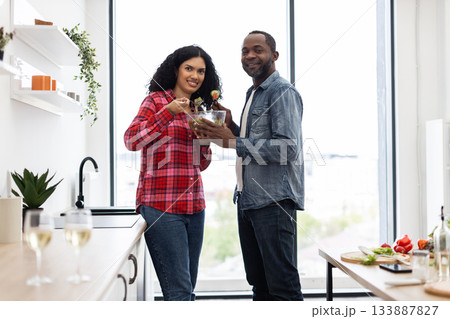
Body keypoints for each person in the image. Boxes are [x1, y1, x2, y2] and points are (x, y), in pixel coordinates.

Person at [195, 31, 304, 301]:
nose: (250, 56)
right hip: (248, 200)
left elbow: (288, 149)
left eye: (258, 50)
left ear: (274, 56)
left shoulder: (282, 92)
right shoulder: (253, 92)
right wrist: (231, 126)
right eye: (245, 51)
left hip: (273, 202)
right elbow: (253, 140)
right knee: (260, 284)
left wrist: (231, 141)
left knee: (282, 286)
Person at [124, 45, 221, 301]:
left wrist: (205, 141)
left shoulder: (198, 110)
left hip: (195, 207)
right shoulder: (155, 101)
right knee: (178, 291)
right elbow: (131, 140)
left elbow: (199, 165)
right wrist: (168, 113)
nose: (195, 75)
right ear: (176, 70)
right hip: (161, 207)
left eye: (201, 71)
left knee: (187, 289)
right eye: (189, 68)